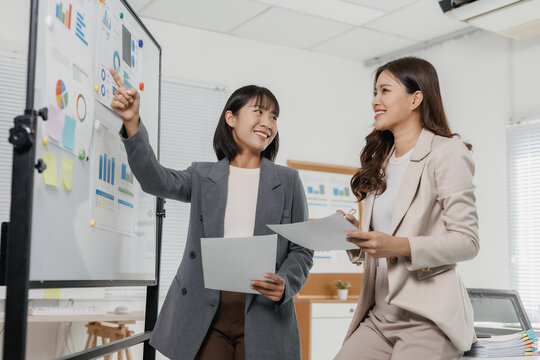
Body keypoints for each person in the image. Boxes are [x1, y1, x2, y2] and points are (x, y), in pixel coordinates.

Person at [109, 68, 314, 360]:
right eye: (258, 112)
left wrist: (286, 282)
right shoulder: (203, 175)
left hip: (263, 314)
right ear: (231, 118)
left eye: (273, 117)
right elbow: (155, 180)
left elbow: (301, 249)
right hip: (205, 315)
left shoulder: (288, 181)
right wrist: (132, 123)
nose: (267, 123)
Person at [335, 57, 479, 360]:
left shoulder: (446, 153)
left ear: (415, 98)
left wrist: (397, 246)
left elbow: (467, 242)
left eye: (385, 91)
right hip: (380, 315)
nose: (375, 101)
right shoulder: (381, 162)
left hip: (427, 318)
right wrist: (353, 236)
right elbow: (383, 239)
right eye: (374, 93)